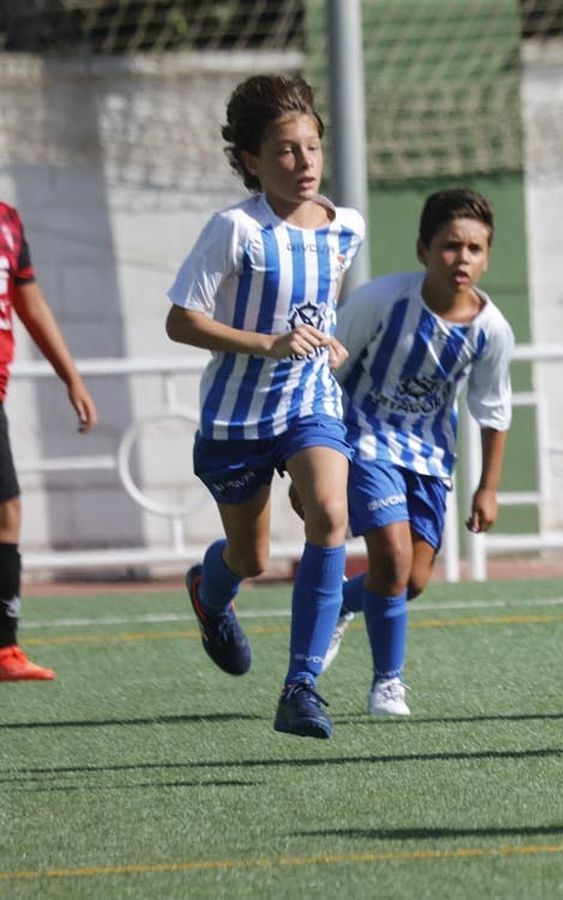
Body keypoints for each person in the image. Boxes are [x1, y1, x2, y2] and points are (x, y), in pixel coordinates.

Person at [166, 74, 364, 739]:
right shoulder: (234, 230)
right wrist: (268, 344)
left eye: (312, 147)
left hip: (309, 402)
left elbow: (316, 305)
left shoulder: (347, 228)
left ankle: (300, 686)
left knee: (330, 512)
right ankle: (209, 593)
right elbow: (181, 321)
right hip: (236, 418)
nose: (303, 162)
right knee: (249, 560)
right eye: (285, 150)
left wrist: (326, 340)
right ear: (251, 160)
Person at [316, 187, 513, 717]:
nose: (462, 258)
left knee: (414, 580)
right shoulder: (381, 301)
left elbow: (493, 410)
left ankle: (341, 604)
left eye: (474, 249)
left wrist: (488, 488)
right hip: (362, 438)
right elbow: (326, 367)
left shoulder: (492, 331)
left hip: (428, 454)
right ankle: (388, 684)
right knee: (393, 557)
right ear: (424, 250)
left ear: (487, 257)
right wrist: (313, 455)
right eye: (450, 246)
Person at [0, 201, 99, 682]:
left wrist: (71, 377)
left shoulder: (8, 220)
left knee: (7, 510)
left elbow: (31, 303)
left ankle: (4, 649)